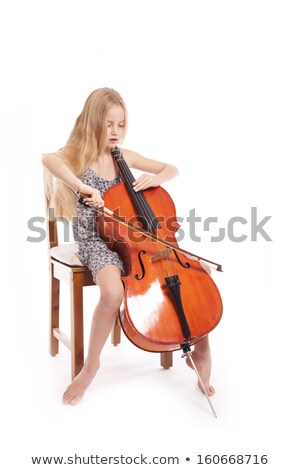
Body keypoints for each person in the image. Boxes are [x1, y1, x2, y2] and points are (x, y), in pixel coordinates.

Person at [42, 87, 214, 406]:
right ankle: (90, 367)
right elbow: (49, 159)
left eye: (121, 125)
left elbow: (171, 168)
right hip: (95, 240)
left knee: (195, 271)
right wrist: (81, 186)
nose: (115, 132)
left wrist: (155, 178)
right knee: (112, 292)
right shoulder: (78, 156)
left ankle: (199, 352)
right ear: (93, 121)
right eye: (109, 124)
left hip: (134, 238)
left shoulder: (124, 156)